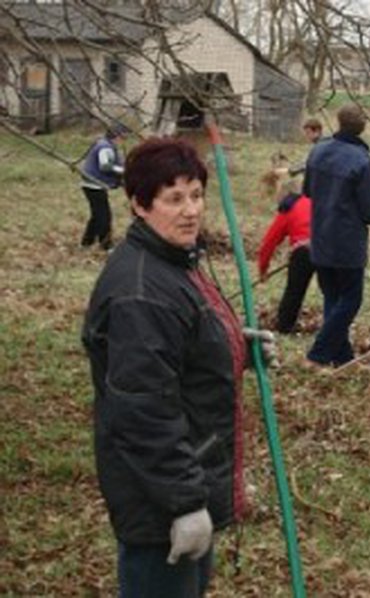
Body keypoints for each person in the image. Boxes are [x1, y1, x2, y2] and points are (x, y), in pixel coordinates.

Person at [82, 138, 270, 596]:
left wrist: (235, 346)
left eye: (196, 195)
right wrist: (184, 505)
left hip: (186, 478)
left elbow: (178, 350)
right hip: (160, 505)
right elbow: (144, 411)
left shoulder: (173, 262)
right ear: (139, 206)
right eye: (173, 198)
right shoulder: (141, 291)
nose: (190, 211)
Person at [303, 103, 370, 368]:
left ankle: (342, 358)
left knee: (333, 298)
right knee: (351, 299)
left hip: (320, 236)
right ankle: (317, 354)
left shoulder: (318, 151)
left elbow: (308, 191)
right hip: (347, 242)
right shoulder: (362, 160)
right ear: (362, 127)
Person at [257, 186, 316, 334]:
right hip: (327, 247)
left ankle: (284, 327)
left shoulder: (288, 209)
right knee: (332, 291)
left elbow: (269, 242)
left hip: (303, 252)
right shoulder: (315, 200)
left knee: (294, 291)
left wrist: (263, 270)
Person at [80, 123, 127, 250]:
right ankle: (106, 245)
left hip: (92, 184)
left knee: (96, 215)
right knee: (104, 216)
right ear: (116, 136)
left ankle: (86, 242)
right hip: (94, 184)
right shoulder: (105, 147)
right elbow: (105, 166)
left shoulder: (104, 144)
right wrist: (124, 171)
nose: (123, 141)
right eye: (123, 137)